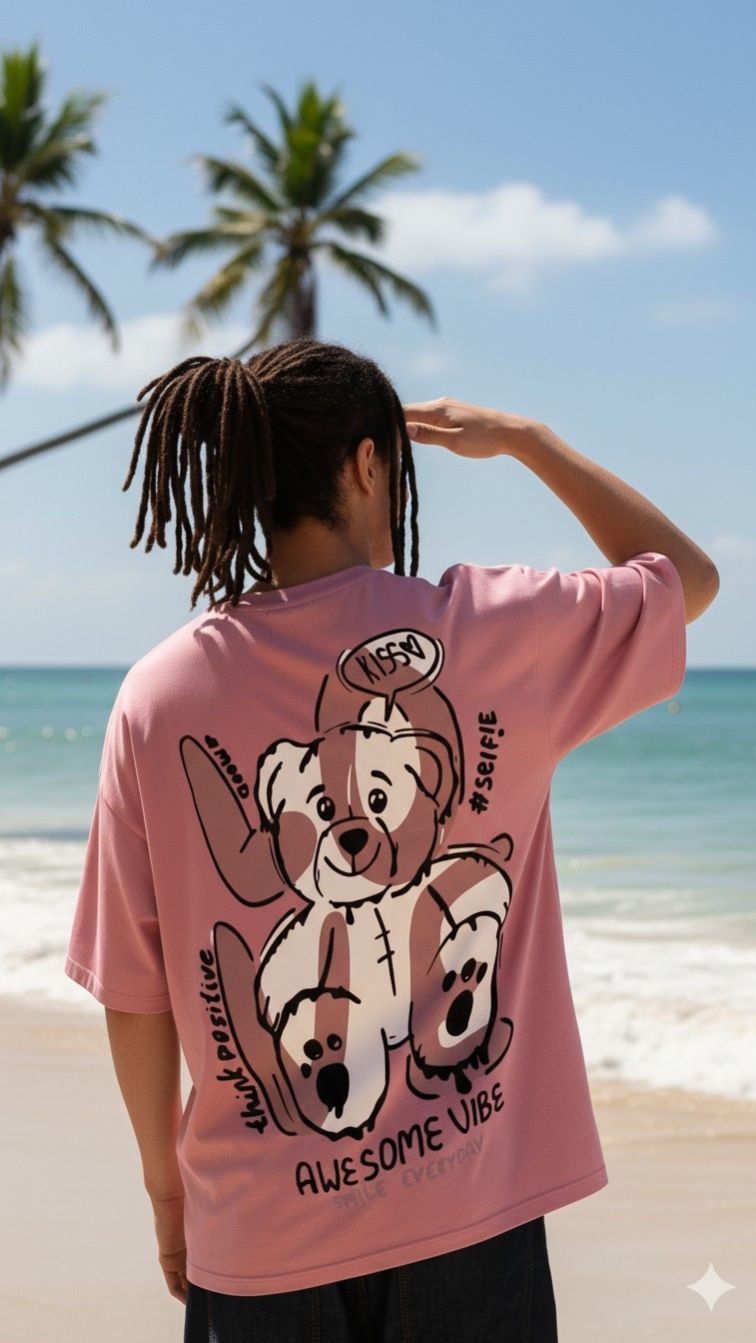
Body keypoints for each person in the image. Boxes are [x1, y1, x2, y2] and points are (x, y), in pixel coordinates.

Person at [63, 337, 719, 1342]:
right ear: (367, 465)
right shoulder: (491, 627)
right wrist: (528, 440)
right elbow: (685, 579)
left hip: (257, 1233)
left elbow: (135, 989)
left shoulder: (159, 694)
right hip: (470, 1217)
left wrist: (167, 1188)